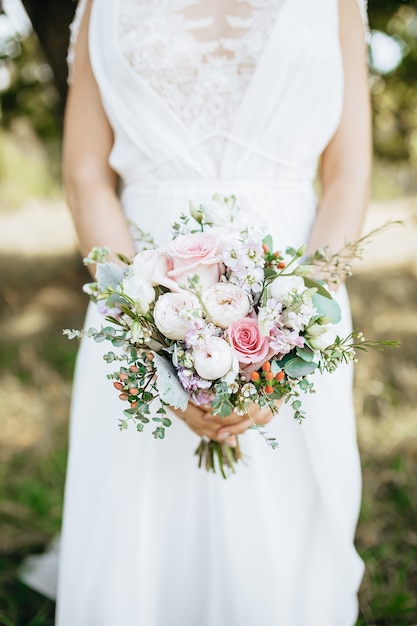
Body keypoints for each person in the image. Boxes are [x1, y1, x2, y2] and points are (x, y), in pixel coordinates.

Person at [53, 0, 372, 624]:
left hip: (295, 277)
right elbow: (85, 173)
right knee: (138, 531)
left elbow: (349, 170)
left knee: (285, 534)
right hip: (137, 277)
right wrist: (142, 327)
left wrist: (295, 325)